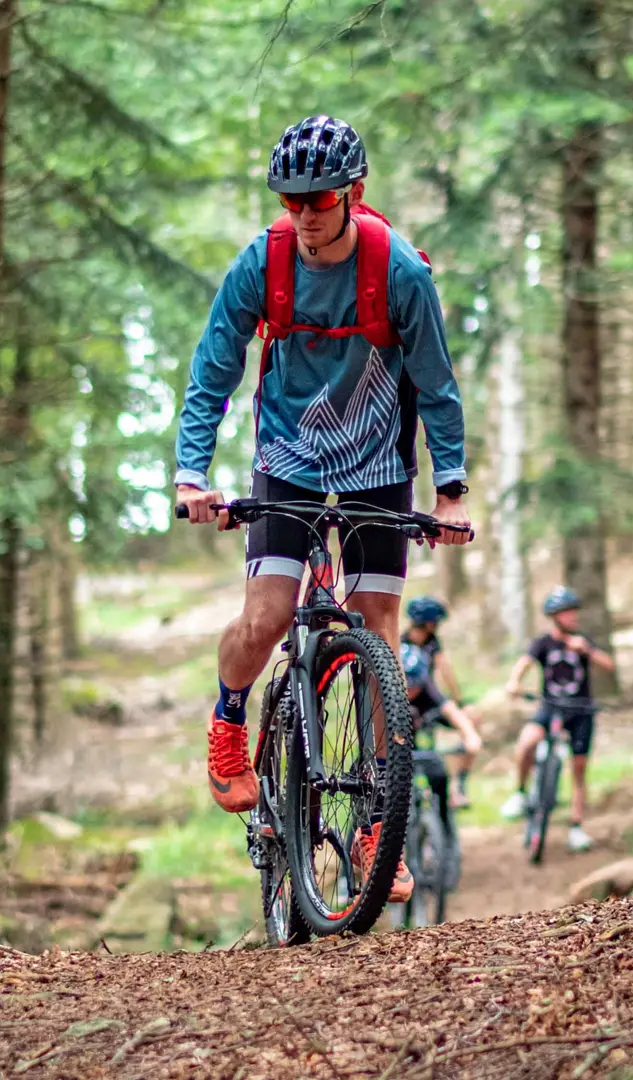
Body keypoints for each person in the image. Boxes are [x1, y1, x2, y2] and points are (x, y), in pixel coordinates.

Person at [174, 115, 473, 906]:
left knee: (378, 631)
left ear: (354, 194)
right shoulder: (263, 262)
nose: (305, 212)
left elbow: (437, 385)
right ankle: (231, 720)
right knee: (266, 616)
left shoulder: (400, 270)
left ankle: (382, 821)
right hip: (288, 464)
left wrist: (449, 489)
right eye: (292, 197)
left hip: (378, 466)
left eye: (322, 196)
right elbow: (214, 368)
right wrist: (190, 474)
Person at [500, 586, 616, 852]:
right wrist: (514, 683)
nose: (573, 616)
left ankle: (576, 827)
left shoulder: (583, 641)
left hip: (581, 710)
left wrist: (587, 651)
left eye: (574, 611)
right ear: (555, 616)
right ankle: (520, 793)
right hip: (550, 707)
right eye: (567, 612)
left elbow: (609, 666)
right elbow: (524, 663)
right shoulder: (544, 643)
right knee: (526, 743)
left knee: (578, 769)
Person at [402, 595, 475, 807]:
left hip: (430, 700)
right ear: (430, 622)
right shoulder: (402, 644)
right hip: (417, 706)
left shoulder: (432, 642)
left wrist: (457, 700)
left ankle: (458, 785)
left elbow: (445, 670)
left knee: (468, 720)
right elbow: (445, 671)